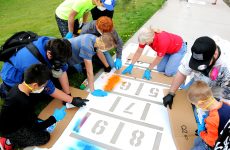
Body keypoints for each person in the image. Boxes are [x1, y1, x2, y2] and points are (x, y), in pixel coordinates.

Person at [0, 64, 73, 149]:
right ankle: (9, 141)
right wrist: (54, 118)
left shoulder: (17, 86)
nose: (44, 87)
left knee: (36, 123)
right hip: (11, 130)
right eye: (43, 86)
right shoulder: (24, 102)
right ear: (35, 85)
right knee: (45, 137)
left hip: (10, 121)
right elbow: (35, 127)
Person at [0, 36, 87, 106]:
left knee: (60, 86)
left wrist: (68, 94)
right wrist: (72, 100)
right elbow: (48, 88)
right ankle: (4, 89)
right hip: (13, 78)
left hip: (35, 66)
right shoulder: (32, 61)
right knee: (35, 99)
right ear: (49, 54)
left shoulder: (56, 45)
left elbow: (62, 69)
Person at [163, 36, 230, 109]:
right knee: (188, 98)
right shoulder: (198, 51)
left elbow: (226, 97)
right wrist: (171, 93)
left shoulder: (226, 65)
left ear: (215, 54)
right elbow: (182, 73)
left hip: (220, 86)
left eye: (202, 63)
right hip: (200, 80)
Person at [122, 27, 187, 79]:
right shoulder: (145, 38)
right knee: (160, 69)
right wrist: (131, 65)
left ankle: (179, 60)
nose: (145, 44)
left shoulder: (161, 42)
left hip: (178, 49)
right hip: (167, 50)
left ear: (150, 39)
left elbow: (158, 58)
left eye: (146, 43)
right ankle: (171, 59)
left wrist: (148, 70)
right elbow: (139, 51)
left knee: (169, 72)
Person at [187, 81, 230, 149]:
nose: (197, 108)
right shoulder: (226, 104)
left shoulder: (212, 119)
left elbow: (212, 142)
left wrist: (202, 132)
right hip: (225, 137)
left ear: (200, 104)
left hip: (217, 144)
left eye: (196, 105)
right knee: (196, 141)